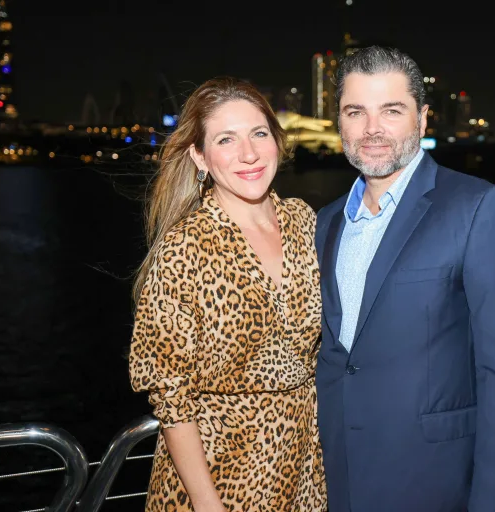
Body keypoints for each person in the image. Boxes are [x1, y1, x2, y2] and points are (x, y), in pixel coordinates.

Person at [315, 46, 495, 512]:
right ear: (339, 121)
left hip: (439, 487)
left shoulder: (481, 209)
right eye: (355, 111)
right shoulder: (325, 223)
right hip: (338, 483)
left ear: (422, 119)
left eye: (391, 110)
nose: (372, 129)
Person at [129, 77, 326, 512]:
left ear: (277, 140)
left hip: (304, 470)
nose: (249, 154)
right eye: (225, 139)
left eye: (259, 133)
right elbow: (170, 393)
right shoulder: (186, 247)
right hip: (220, 476)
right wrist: (207, 503)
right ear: (199, 156)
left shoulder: (304, 221)